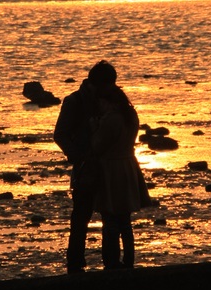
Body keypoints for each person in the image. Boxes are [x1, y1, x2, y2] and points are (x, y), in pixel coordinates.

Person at [53, 59, 117, 273]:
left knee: (110, 215)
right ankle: (75, 263)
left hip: (107, 165)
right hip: (85, 167)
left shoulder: (110, 99)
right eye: (110, 85)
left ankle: (111, 262)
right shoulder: (74, 101)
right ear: (98, 84)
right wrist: (79, 157)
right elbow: (60, 134)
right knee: (81, 217)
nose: (113, 89)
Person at [91, 83, 151, 270]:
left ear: (108, 101)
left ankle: (111, 262)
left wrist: (94, 127)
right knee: (125, 220)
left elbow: (97, 145)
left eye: (101, 101)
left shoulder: (111, 119)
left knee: (110, 219)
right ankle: (129, 261)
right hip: (128, 165)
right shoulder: (131, 116)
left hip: (111, 168)